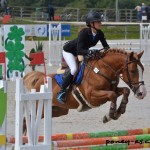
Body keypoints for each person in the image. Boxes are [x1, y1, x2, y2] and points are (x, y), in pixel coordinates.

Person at [57, 10, 110, 104]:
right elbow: (79, 50)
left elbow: (106, 47)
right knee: (73, 69)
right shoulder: (84, 33)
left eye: (100, 21)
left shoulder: (99, 33)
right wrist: (90, 51)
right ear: (91, 23)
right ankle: (62, 91)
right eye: (98, 22)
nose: (100, 23)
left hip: (82, 51)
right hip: (70, 51)